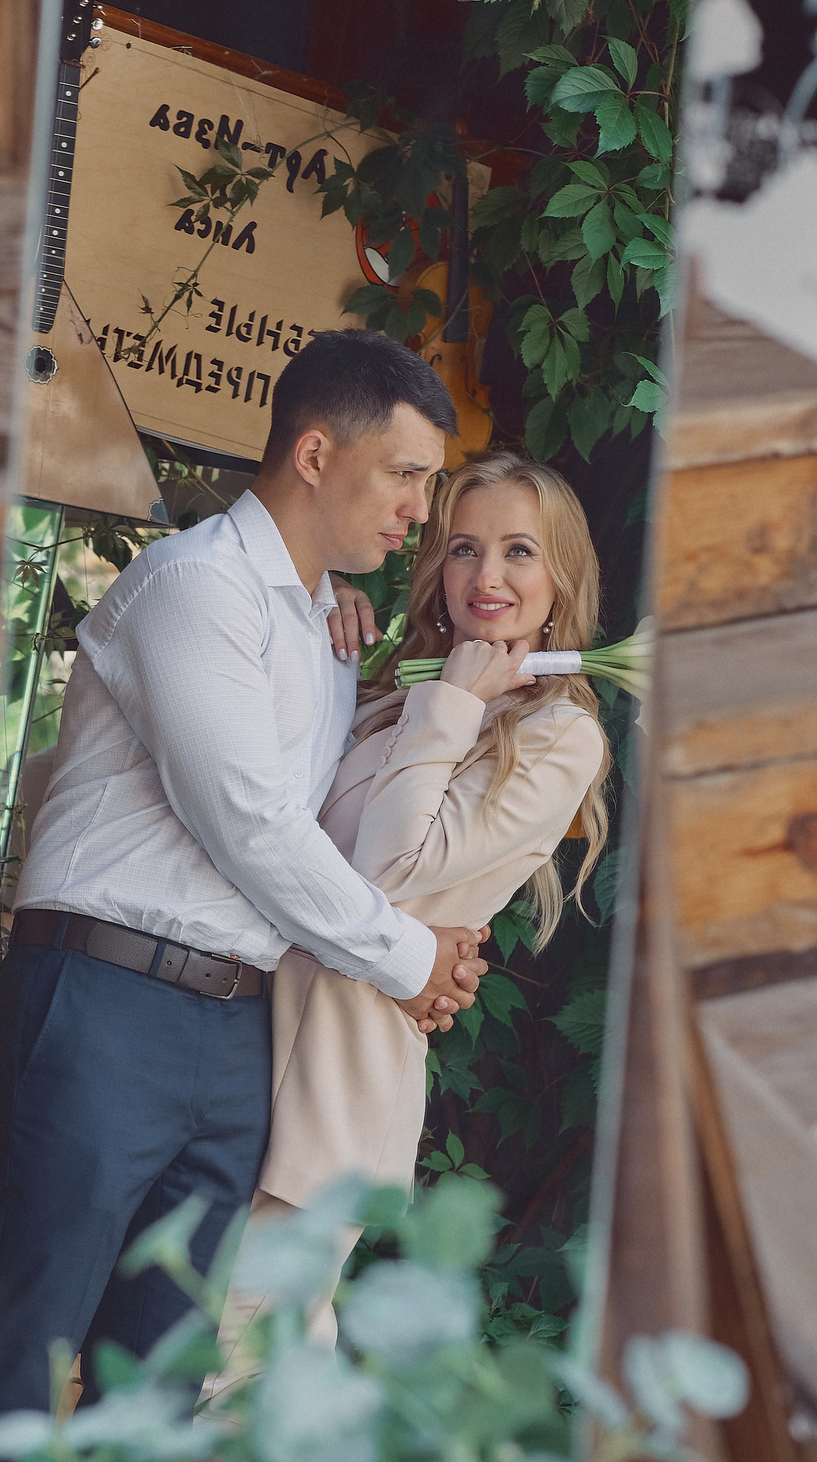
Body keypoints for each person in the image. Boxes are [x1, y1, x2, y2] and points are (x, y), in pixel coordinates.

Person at [0, 331, 489, 1462]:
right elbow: (250, 821)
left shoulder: (323, 627)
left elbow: (326, 822)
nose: (418, 510)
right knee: (29, 1330)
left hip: (237, 1023)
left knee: (162, 1367)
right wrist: (406, 956)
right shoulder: (195, 586)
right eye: (404, 475)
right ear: (312, 451)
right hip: (106, 996)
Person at [218, 449, 613, 1360]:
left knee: (244, 1371)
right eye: (465, 548)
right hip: (243, 1043)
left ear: (561, 576)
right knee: (191, 1356)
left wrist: (456, 711)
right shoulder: (405, 693)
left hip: (331, 1088)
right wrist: (329, 628)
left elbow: (386, 879)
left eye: (520, 551)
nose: (489, 577)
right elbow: (274, 834)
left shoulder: (559, 735)